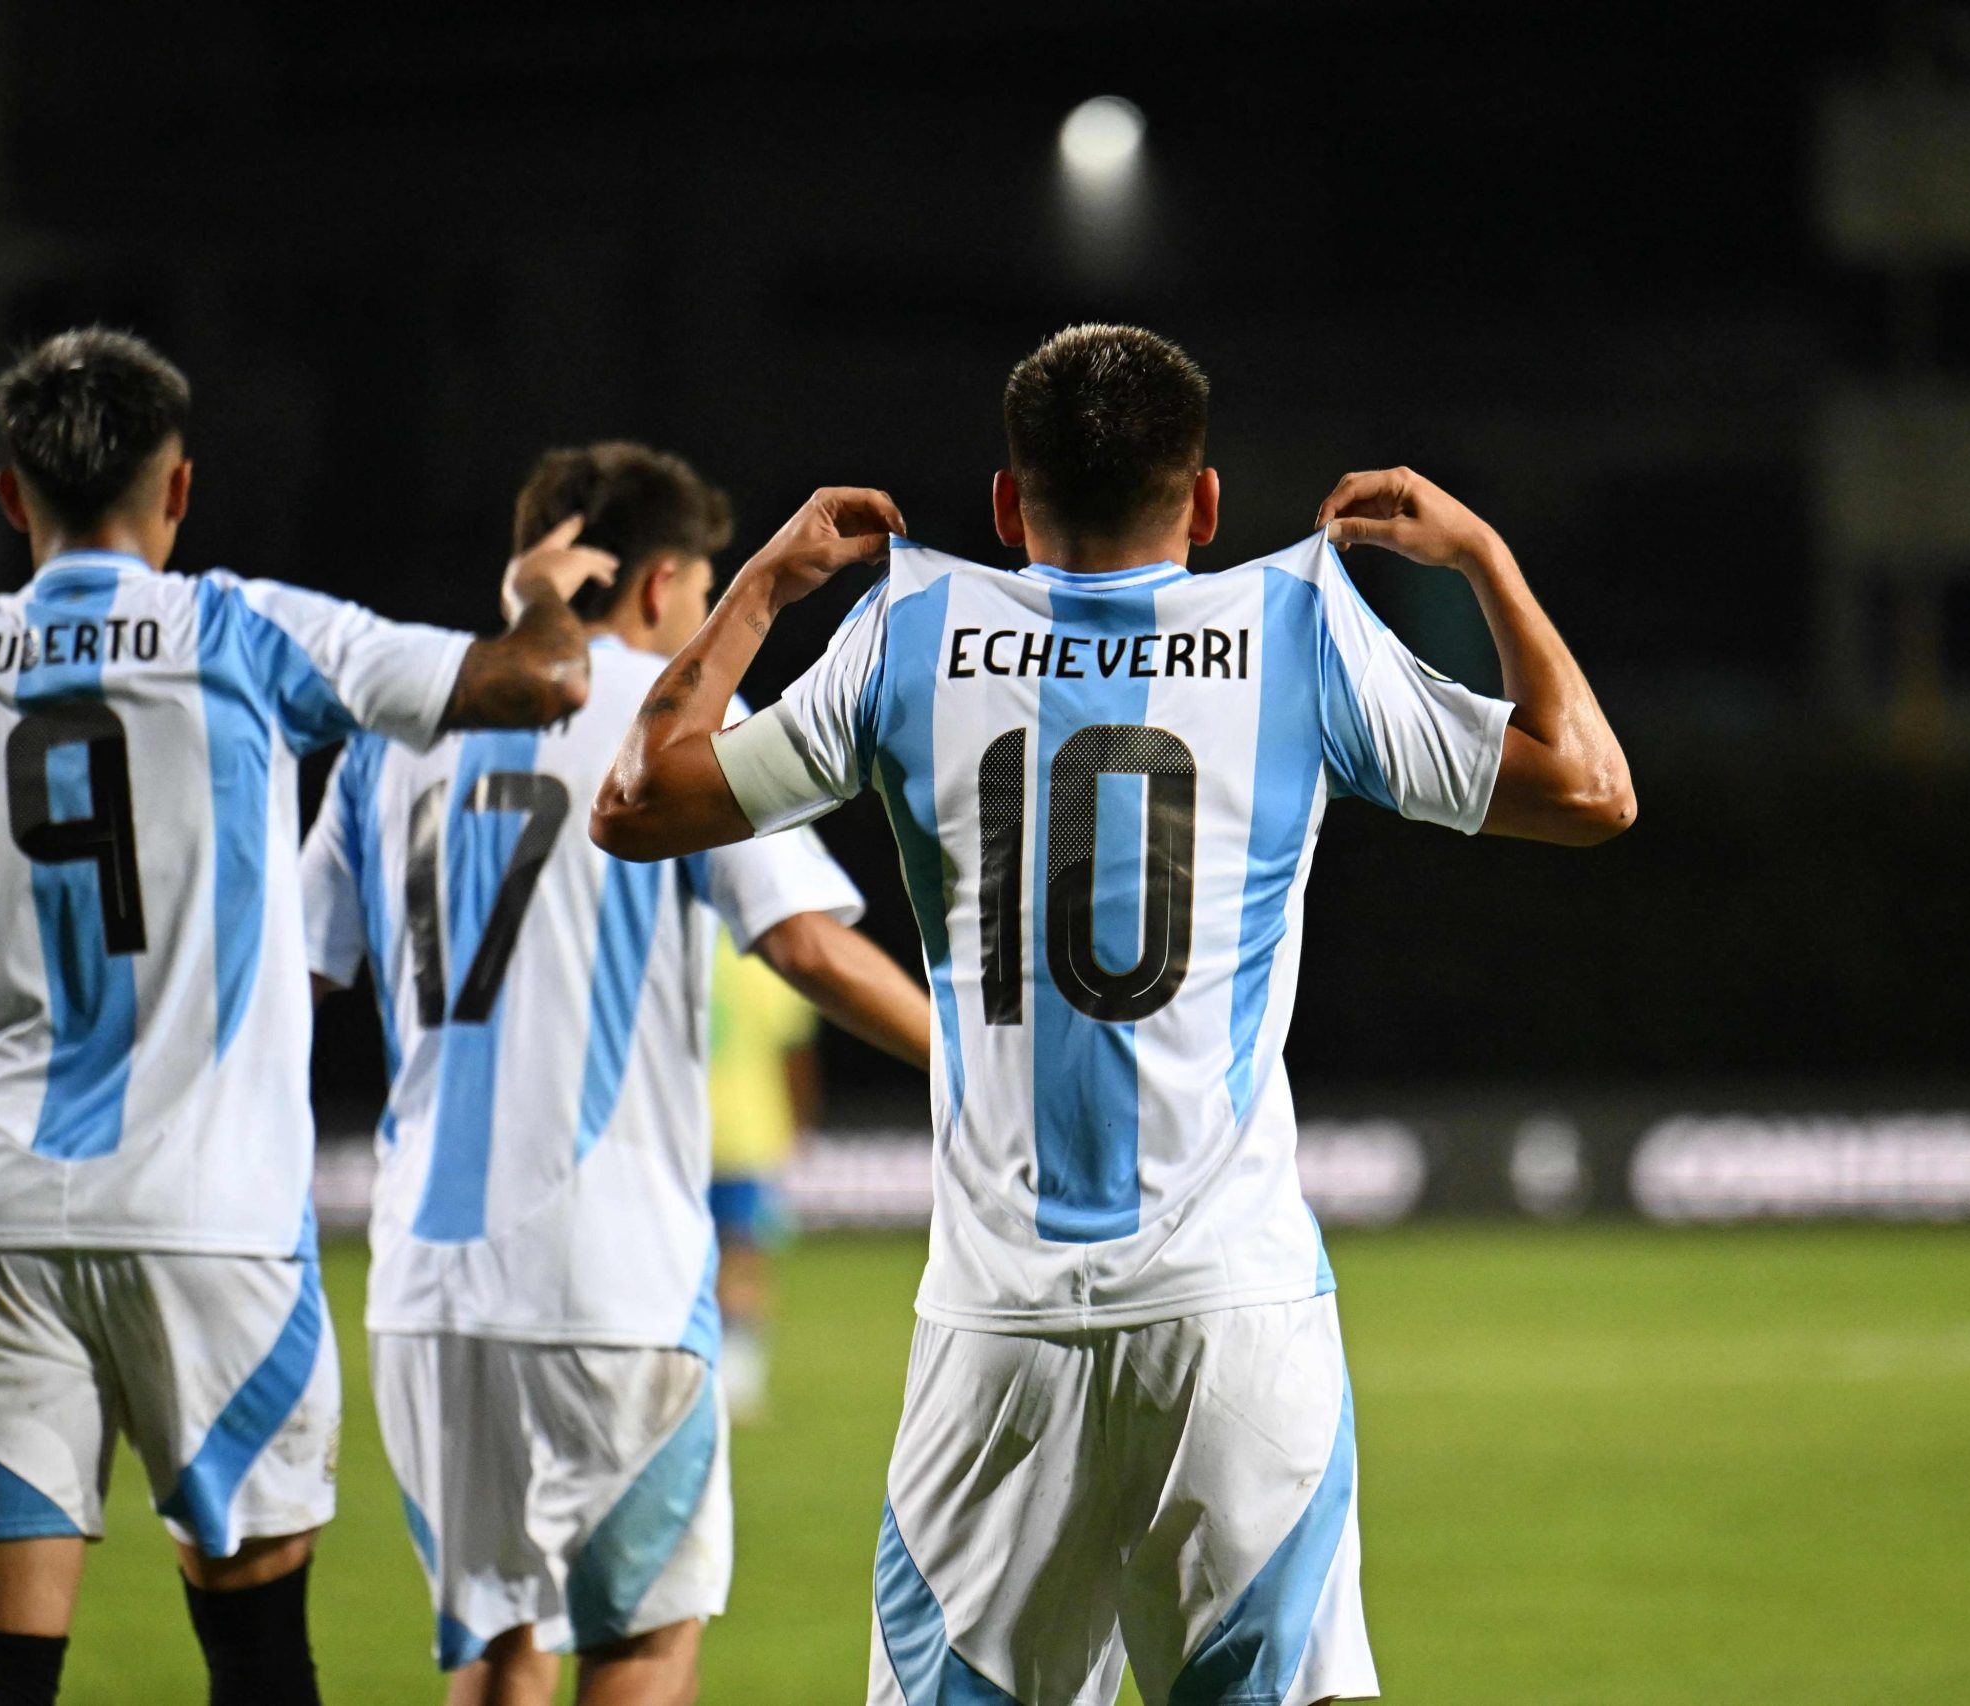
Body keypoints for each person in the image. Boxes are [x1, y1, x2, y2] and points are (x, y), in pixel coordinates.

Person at [592, 324, 1634, 1704]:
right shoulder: (1298, 623)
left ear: (1009, 504)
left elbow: (640, 799)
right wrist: (1484, 558)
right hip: (1234, 1322)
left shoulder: (909, 628)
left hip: (996, 1335)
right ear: (1204, 504)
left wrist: (768, 585)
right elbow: (1591, 785)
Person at [0, 326, 616, 1706]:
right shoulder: (244, 630)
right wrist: (541, 596)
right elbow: (542, 685)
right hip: (209, 1224)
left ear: (8, 496)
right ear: (177, 491)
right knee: (258, 1657)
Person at [300, 441, 931, 1706]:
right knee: (642, 1642)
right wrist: (976, 1064)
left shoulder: (396, 734)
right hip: (611, 1272)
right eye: (699, 591)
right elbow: (804, 940)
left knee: (495, 1650)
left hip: (428, 1282)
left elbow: (300, 976)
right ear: (657, 584)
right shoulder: (672, 713)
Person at [704, 922, 821, 1421]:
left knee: (686, 1255)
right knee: (745, 1255)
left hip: (678, 1130)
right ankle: (740, 1377)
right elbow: (794, 1047)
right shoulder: (759, 953)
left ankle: (696, 1370)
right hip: (749, 1131)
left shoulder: (676, 942)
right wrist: (801, 1122)